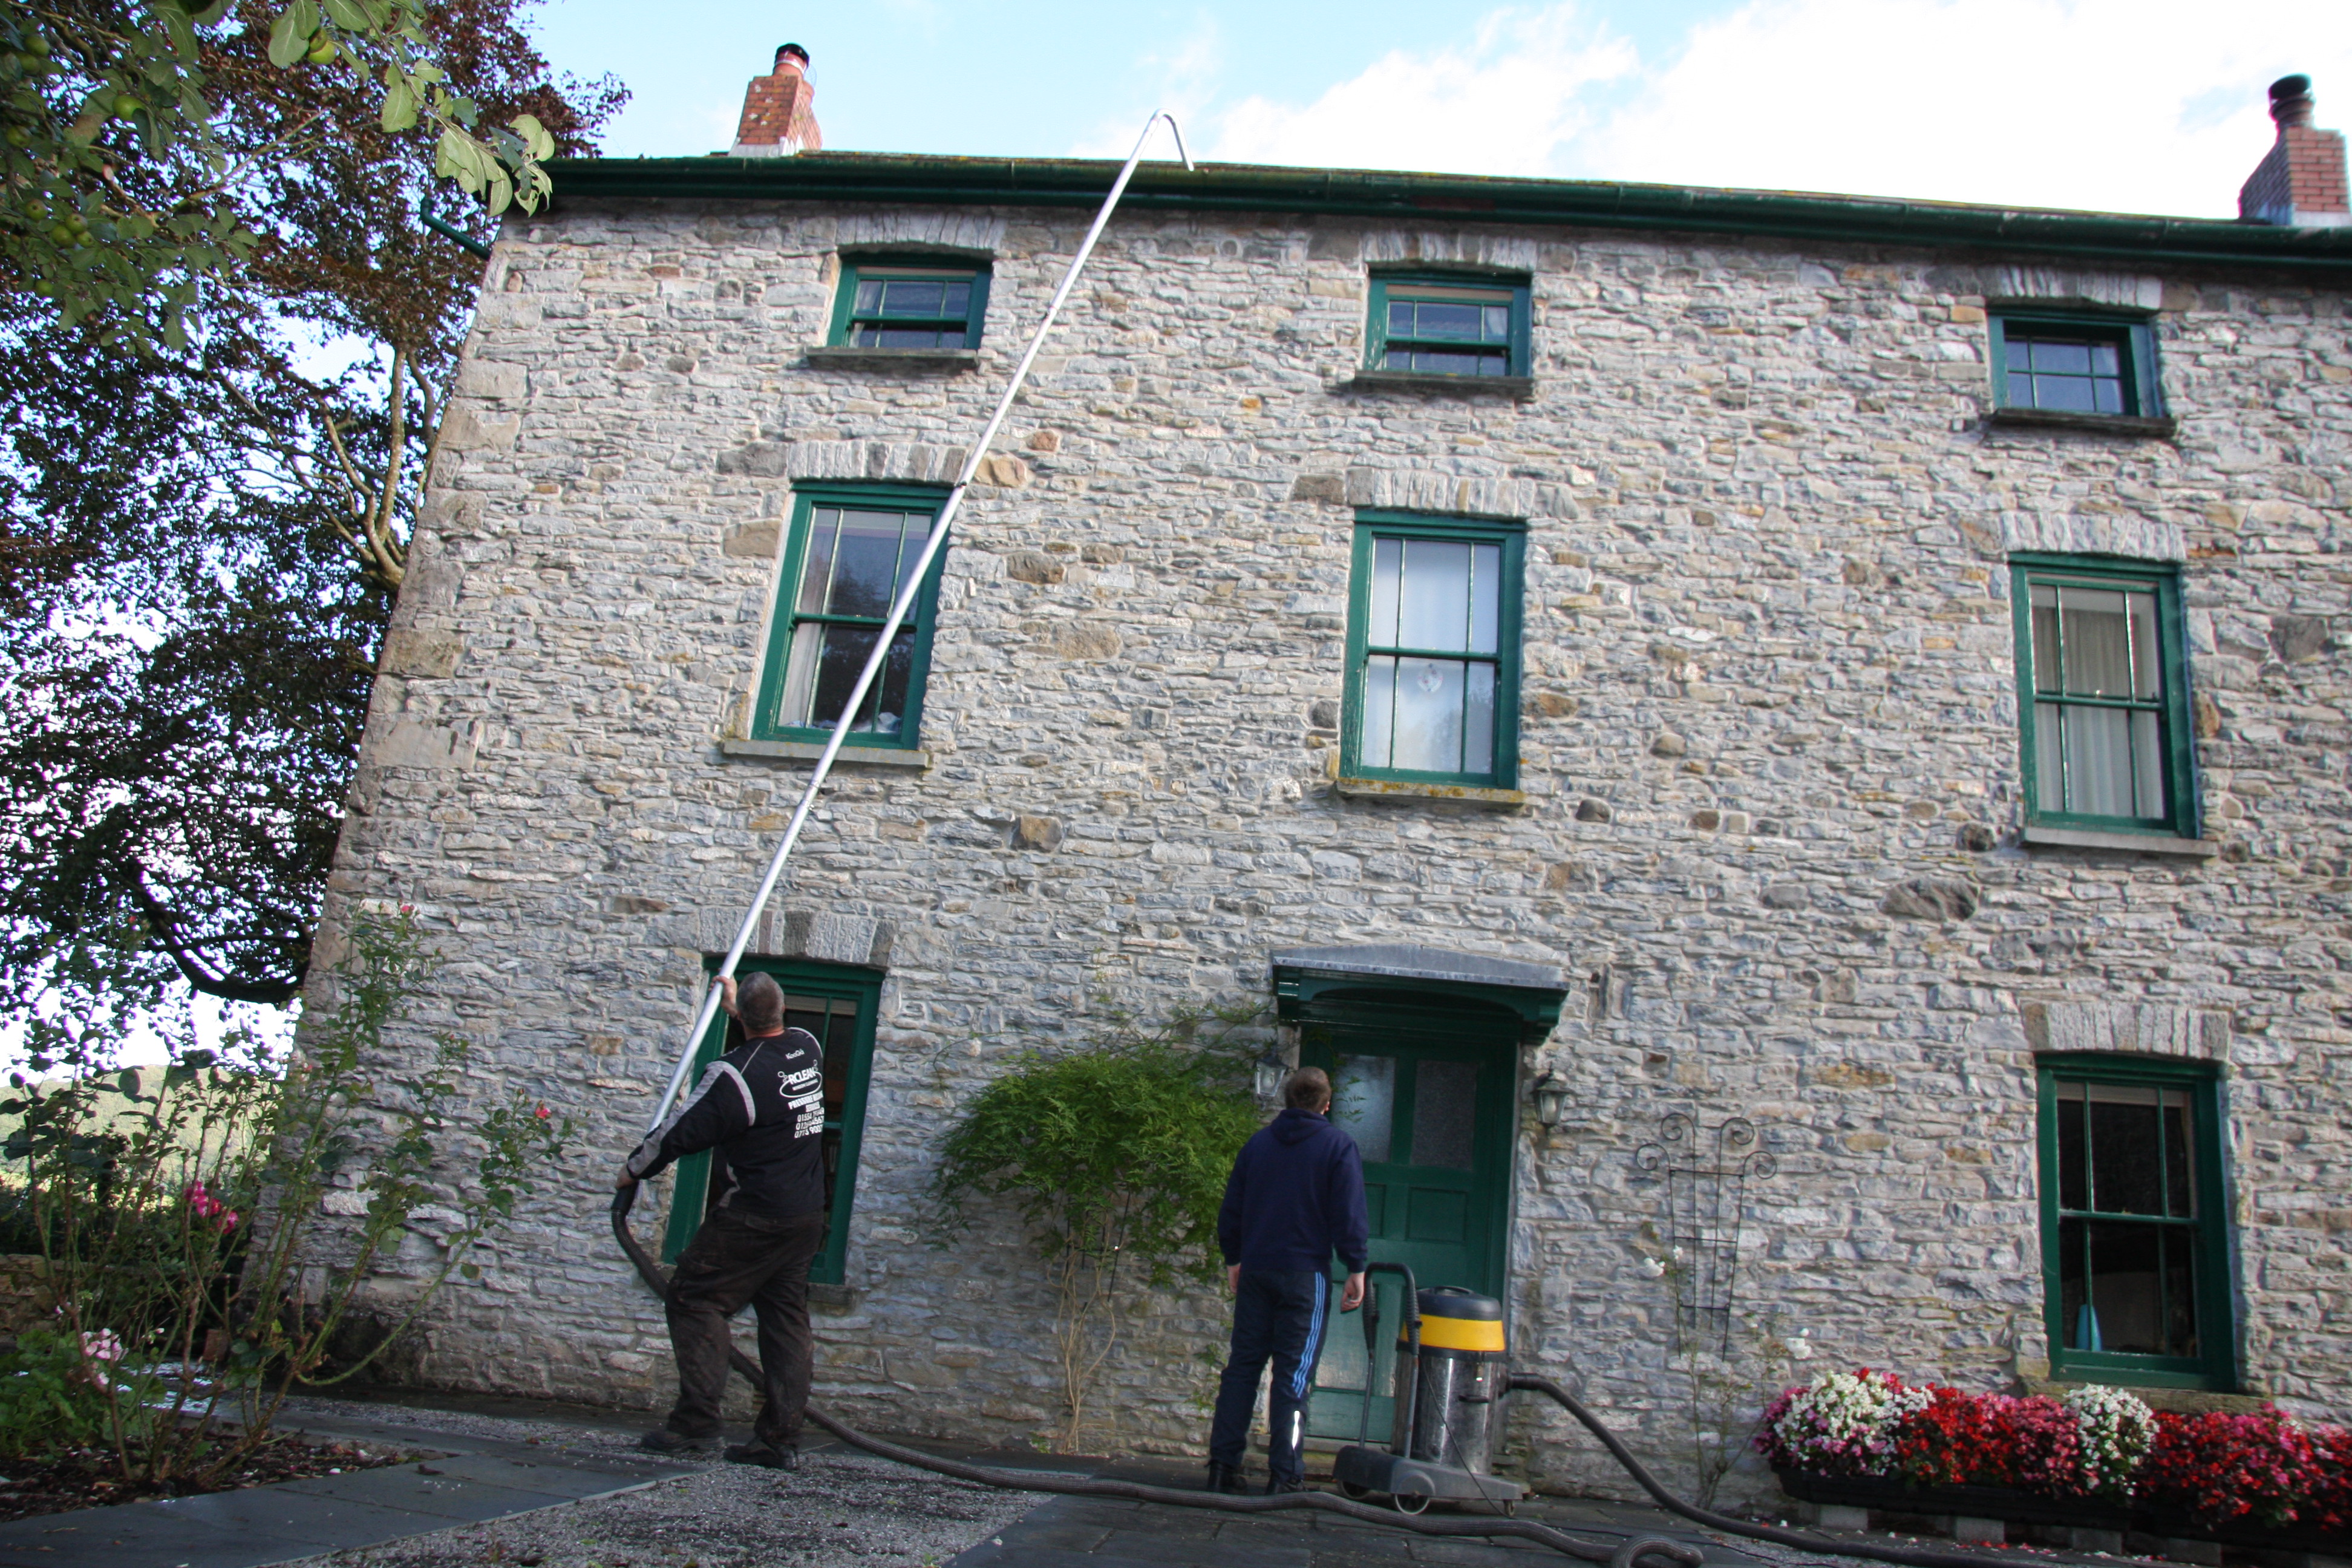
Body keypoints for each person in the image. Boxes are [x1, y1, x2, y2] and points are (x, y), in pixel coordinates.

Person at [615, 972, 828, 1468]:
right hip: (805, 1216)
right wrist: (737, 1009)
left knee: (694, 1298)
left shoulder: (733, 1075)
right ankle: (779, 1440)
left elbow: (681, 1132)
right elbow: (766, 1040)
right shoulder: (809, 1047)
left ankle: (695, 1426)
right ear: (783, 1011)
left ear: (747, 1019)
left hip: (755, 1215)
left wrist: (633, 1170)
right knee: (785, 1321)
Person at [1205, 1065, 1369, 1495]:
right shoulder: (1338, 1146)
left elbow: (1232, 1211)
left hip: (1258, 1269)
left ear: (1286, 1099)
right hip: (1304, 1274)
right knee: (1293, 1376)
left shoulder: (1257, 1146)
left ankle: (1222, 1468)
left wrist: (1234, 1259)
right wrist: (1356, 1267)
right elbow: (1348, 1213)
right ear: (1326, 1103)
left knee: (1242, 1369)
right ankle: (1285, 1475)